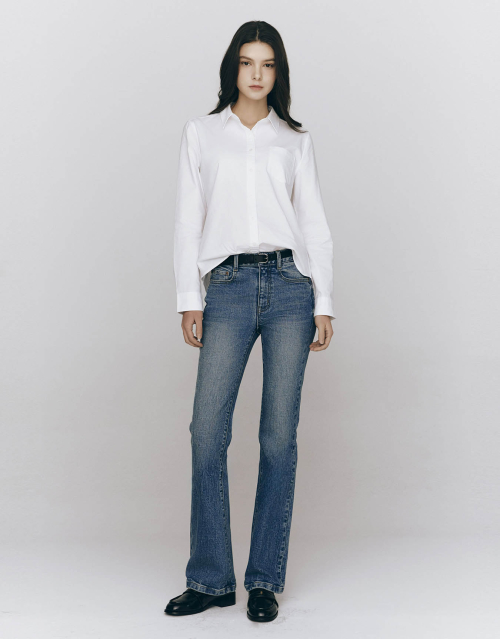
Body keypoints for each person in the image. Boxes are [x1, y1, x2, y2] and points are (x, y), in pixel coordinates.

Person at [165, 20, 336, 623]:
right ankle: (211, 578)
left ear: (277, 72)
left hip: (290, 287)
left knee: (278, 437)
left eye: (267, 64)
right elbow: (188, 218)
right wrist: (190, 296)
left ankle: (264, 579)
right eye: (246, 62)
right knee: (207, 431)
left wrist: (323, 301)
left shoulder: (294, 140)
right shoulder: (202, 134)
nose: (256, 74)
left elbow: (313, 221)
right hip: (229, 287)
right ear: (232, 69)